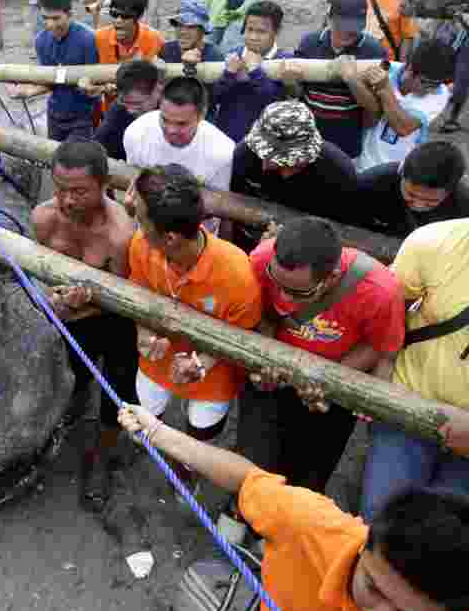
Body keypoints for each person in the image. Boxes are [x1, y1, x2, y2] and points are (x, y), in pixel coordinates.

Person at [118, 401, 469, 611]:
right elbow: (246, 479)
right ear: (365, 544)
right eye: (373, 587)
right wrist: (158, 433)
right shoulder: (311, 526)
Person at [238, 218, 405, 496]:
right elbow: (259, 310)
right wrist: (265, 356)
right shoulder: (262, 259)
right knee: (252, 458)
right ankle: (241, 508)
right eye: (277, 282)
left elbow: (379, 347)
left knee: (309, 474)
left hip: (332, 387)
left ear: (332, 277)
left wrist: (326, 379)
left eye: (297, 292)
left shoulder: (380, 291)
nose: (283, 296)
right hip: (272, 374)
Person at [127, 164, 263, 497]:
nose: (135, 221)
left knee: (202, 431)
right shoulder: (141, 246)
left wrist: (201, 363)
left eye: (141, 218)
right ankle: (160, 455)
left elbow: (239, 335)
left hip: (213, 375)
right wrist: (143, 332)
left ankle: (187, 473)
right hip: (155, 360)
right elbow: (137, 293)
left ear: (170, 238)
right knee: (146, 412)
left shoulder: (238, 275)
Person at [27, 141, 138, 508]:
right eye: (60, 188)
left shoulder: (121, 235)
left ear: (104, 185)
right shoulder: (44, 218)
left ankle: (102, 456)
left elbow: (128, 297)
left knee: (117, 393)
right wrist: (53, 299)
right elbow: (36, 270)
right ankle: (74, 402)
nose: (67, 200)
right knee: (73, 372)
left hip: (117, 323)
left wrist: (87, 300)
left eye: (79, 191)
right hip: (68, 320)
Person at [361, 218, 469, 522]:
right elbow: (387, 308)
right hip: (409, 409)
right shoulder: (435, 240)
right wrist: (379, 384)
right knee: (381, 520)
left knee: (448, 537)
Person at [230, 100, 357, 252]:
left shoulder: (338, 173)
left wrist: (289, 241)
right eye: (262, 153)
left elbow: (341, 233)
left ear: (303, 157)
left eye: (278, 160)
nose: (264, 165)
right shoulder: (245, 155)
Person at [294, 0, 388, 159]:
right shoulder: (309, 43)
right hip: (307, 138)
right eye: (341, 27)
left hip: (346, 144)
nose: (346, 34)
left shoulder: (373, 51)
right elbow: (297, 93)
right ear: (329, 19)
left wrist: (352, 80)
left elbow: (375, 110)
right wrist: (290, 82)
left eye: (352, 29)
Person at [122, 76, 235, 210]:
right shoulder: (137, 133)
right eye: (165, 119)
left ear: (202, 115)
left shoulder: (223, 152)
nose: (171, 130)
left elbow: (220, 207)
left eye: (181, 124)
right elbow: (134, 187)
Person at [355, 39, 454, 172]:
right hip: (361, 163)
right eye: (427, 83)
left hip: (396, 171)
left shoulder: (440, 94)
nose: (430, 90)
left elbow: (403, 127)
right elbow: (368, 120)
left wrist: (384, 88)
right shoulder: (386, 68)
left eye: (436, 84)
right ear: (410, 68)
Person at [208, 0, 290, 141]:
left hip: (265, 143)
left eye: (261, 32)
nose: (253, 37)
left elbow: (276, 104)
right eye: (249, 29)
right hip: (227, 140)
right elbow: (214, 99)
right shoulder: (233, 55)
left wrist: (255, 71)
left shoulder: (285, 61)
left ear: (276, 31)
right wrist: (228, 75)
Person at [27, 0, 99, 141]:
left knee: (75, 155)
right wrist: (27, 91)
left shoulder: (88, 40)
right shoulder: (41, 41)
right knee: (54, 153)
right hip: (55, 114)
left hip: (83, 117)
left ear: (69, 14)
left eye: (56, 18)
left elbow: (98, 83)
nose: (50, 24)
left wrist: (92, 88)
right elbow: (50, 82)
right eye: (45, 18)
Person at [357, 140, 469, 238]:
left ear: (452, 190)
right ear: (401, 171)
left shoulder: (463, 205)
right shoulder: (368, 185)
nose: (418, 205)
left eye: (431, 200)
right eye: (411, 194)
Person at [94, 60, 159, 160]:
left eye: (137, 104)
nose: (130, 110)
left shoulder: (177, 108)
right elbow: (97, 157)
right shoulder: (114, 123)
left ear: (157, 91)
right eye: (125, 102)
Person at [159, 0, 225, 64]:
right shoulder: (166, 50)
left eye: (191, 26)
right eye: (179, 25)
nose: (183, 32)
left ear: (203, 30)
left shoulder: (214, 57)